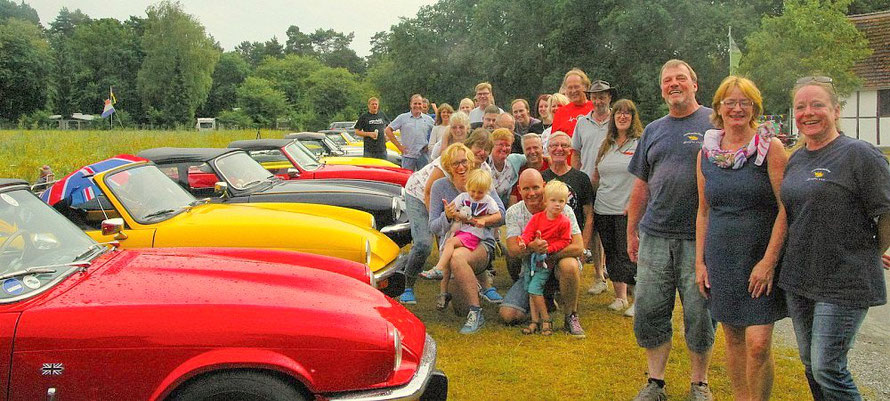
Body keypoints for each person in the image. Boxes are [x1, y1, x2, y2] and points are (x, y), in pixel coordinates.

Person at [779, 76, 890, 400]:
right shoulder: (797, 158)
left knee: (829, 367)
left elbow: (887, 211)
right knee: (811, 365)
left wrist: (871, 251)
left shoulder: (859, 155)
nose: (808, 113)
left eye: (817, 105)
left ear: (836, 110)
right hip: (799, 277)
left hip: (844, 280)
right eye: (801, 107)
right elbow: (790, 212)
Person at [626, 59, 716, 401]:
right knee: (649, 309)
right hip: (655, 236)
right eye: (667, 80)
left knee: (699, 313)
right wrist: (632, 231)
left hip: (700, 239)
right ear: (662, 88)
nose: (674, 84)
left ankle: (700, 383)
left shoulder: (713, 124)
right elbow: (641, 186)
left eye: (681, 78)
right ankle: (655, 383)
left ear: (695, 84)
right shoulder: (653, 130)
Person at [694, 76, 788, 401]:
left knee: (759, 343)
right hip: (722, 257)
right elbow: (703, 211)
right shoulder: (707, 152)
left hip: (759, 258)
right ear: (718, 107)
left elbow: (785, 209)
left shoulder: (770, 149)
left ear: (754, 108)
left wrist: (769, 261)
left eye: (744, 102)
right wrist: (699, 262)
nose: (736, 108)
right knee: (732, 337)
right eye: (729, 102)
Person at [499, 169, 586, 338]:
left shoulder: (563, 209)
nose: (532, 193)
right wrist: (532, 246)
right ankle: (543, 302)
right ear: (519, 189)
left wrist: (548, 252)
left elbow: (578, 247)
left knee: (569, 265)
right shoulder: (514, 212)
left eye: (536, 188)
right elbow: (512, 249)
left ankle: (571, 315)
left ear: (544, 186)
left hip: (556, 266)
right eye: (526, 189)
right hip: (532, 270)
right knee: (508, 316)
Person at [429, 143, 506, 334]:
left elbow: (502, 215)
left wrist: (478, 220)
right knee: (459, 310)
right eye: (455, 164)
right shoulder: (440, 186)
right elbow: (433, 226)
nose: (461, 167)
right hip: (454, 240)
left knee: (457, 257)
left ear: (470, 162)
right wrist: (447, 216)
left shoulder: (480, 180)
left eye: (464, 161)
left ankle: (476, 312)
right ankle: (473, 290)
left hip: (481, 242)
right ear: (448, 166)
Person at [593, 99, 643, 317]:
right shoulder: (607, 144)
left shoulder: (639, 143)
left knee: (630, 254)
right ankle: (620, 297)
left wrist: (638, 205)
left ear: (633, 118)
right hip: (603, 208)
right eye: (618, 113)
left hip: (628, 210)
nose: (622, 117)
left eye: (627, 113)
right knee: (612, 253)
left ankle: (638, 299)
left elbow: (645, 178)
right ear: (613, 118)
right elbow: (597, 175)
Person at [570, 80, 616, 296]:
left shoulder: (618, 120)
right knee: (594, 230)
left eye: (602, 96)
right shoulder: (582, 122)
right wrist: (575, 176)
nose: (598, 100)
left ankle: (619, 275)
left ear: (609, 97)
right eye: (595, 96)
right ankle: (599, 276)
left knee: (614, 230)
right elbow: (576, 151)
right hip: (588, 182)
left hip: (613, 183)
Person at [435, 169, 502, 310]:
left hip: (474, 236)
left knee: (451, 245)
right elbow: (436, 224)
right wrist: (451, 214)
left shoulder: (488, 200)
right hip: (460, 234)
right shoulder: (459, 195)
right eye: (473, 191)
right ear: (468, 187)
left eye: (480, 192)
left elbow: (500, 215)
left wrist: (484, 220)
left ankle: (438, 268)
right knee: (460, 309)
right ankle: (443, 292)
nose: (476, 195)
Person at [517, 180, 573, 336]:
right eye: (553, 200)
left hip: (545, 261)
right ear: (545, 201)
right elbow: (527, 233)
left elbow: (565, 241)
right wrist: (525, 243)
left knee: (535, 289)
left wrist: (549, 249)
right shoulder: (537, 218)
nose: (557, 205)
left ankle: (547, 320)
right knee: (530, 289)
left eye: (561, 201)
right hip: (531, 260)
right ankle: (534, 322)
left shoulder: (564, 222)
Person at [542, 132, 595, 280]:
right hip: (547, 241)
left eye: (564, 145)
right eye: (554, 145)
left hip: (571, 242)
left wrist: (583, 248)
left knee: (568, 268)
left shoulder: (581, 178)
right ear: (548, 149)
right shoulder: (541, 178)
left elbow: (589, 215)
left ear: (570, 150)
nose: (559, 149)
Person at [385, 94, 435, 171]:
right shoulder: (402, 118)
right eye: (415, 103)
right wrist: (399, 146)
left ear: (422, 105)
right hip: (408, 156)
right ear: (411, 105)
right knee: (407, 179)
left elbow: (436, 132)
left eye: (419, 104)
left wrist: (430, 145)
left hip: (423, 156)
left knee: (423, 180)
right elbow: (388, 130)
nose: (417, 106)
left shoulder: (428, 119)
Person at [551, 69, 594, 140]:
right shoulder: (560, 112)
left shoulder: (595, 108)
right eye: (570, 88)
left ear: (586, 87)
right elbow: (554, 140)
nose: (573, 91)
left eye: (576, 87)